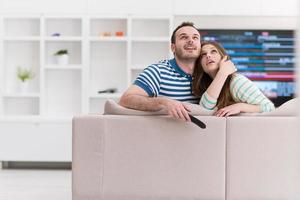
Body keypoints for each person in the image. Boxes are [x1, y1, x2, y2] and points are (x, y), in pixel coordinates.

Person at [119, 22, 202, 122]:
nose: (190, 41)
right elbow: (126, 99)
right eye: (184, 37)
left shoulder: (207, 72)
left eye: (195, 37)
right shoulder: (158, 71)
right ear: (173, 47)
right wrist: (163, 102)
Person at [192, 41, 275, 117]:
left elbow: (269, 107)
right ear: (200, 65)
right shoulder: (205, 86)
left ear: (223, 58)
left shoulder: (236, 81)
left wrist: (240, 106)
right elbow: (204, 110)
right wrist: (223, 73)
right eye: (203, 54)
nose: (208, 55)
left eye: (213, 51)